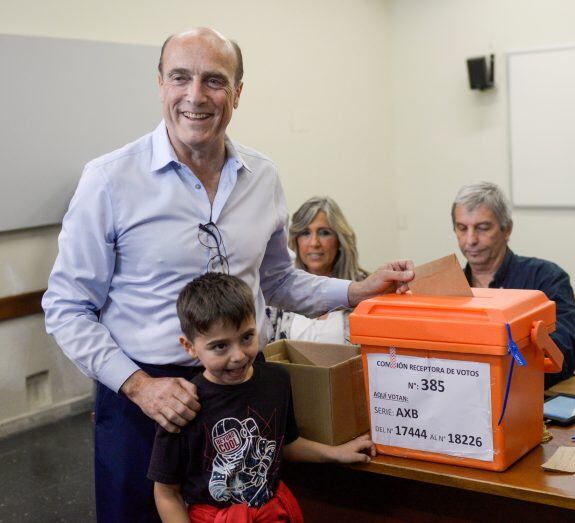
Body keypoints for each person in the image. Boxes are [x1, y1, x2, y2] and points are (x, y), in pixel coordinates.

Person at [41, 28, 412, 522]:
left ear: (238, 92)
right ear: (159, 84)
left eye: (214, 80)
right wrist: (138, 386)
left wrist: (355, 290)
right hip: (145, 404)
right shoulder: (109, 180)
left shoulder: (263, 177)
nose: (195, 96)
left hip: (242, 391)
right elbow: (66, 307)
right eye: (180, 77)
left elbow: (277, 281)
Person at [149, 273, 374, 522]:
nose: (238, 356)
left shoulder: (277, 379)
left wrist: (335, 453)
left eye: (247, 337)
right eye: (220, 346)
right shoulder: (182, 405)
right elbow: (166, 492)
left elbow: (286, 443)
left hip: (271, 511)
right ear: (189, 347)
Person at [451, 182, 575, 387]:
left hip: (526, 396)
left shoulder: (546, 278)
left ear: (507, 229)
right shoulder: (447, 287)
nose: (470, 240)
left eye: (483, 228)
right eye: (461, 228)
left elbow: (565, 353)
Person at [267, 196, 369, 344]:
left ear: (339, 240)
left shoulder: (364, 289)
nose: (314, 243)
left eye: (324, 233)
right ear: (296, 239)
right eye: (305, 233)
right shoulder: (279, 287)